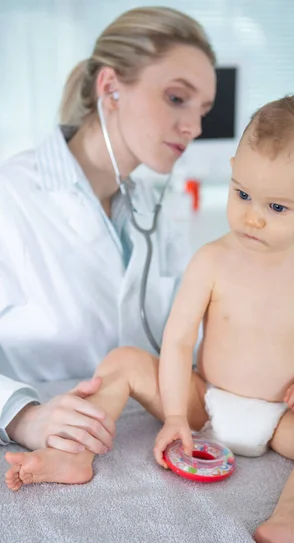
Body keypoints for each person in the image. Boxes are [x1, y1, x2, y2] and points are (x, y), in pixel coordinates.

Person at [5, 95, 294, 543]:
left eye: (276, 206)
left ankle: (287, 520)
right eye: (242, 193)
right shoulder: (213, 258)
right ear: (232, 174)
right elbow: (176, 338)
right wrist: (173, 414)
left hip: (280, 415)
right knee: (125, 360)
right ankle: (74, 456)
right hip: (204, 400)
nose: (252, 216)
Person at [0, 7, 217, 455]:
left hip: (140, 445)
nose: (194, 127)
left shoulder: (155, 208)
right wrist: (21, 416)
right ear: (111, 87)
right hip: (45, 456)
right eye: (177, 98)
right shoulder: (11, 196)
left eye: (203, 110)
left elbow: (186, 341)